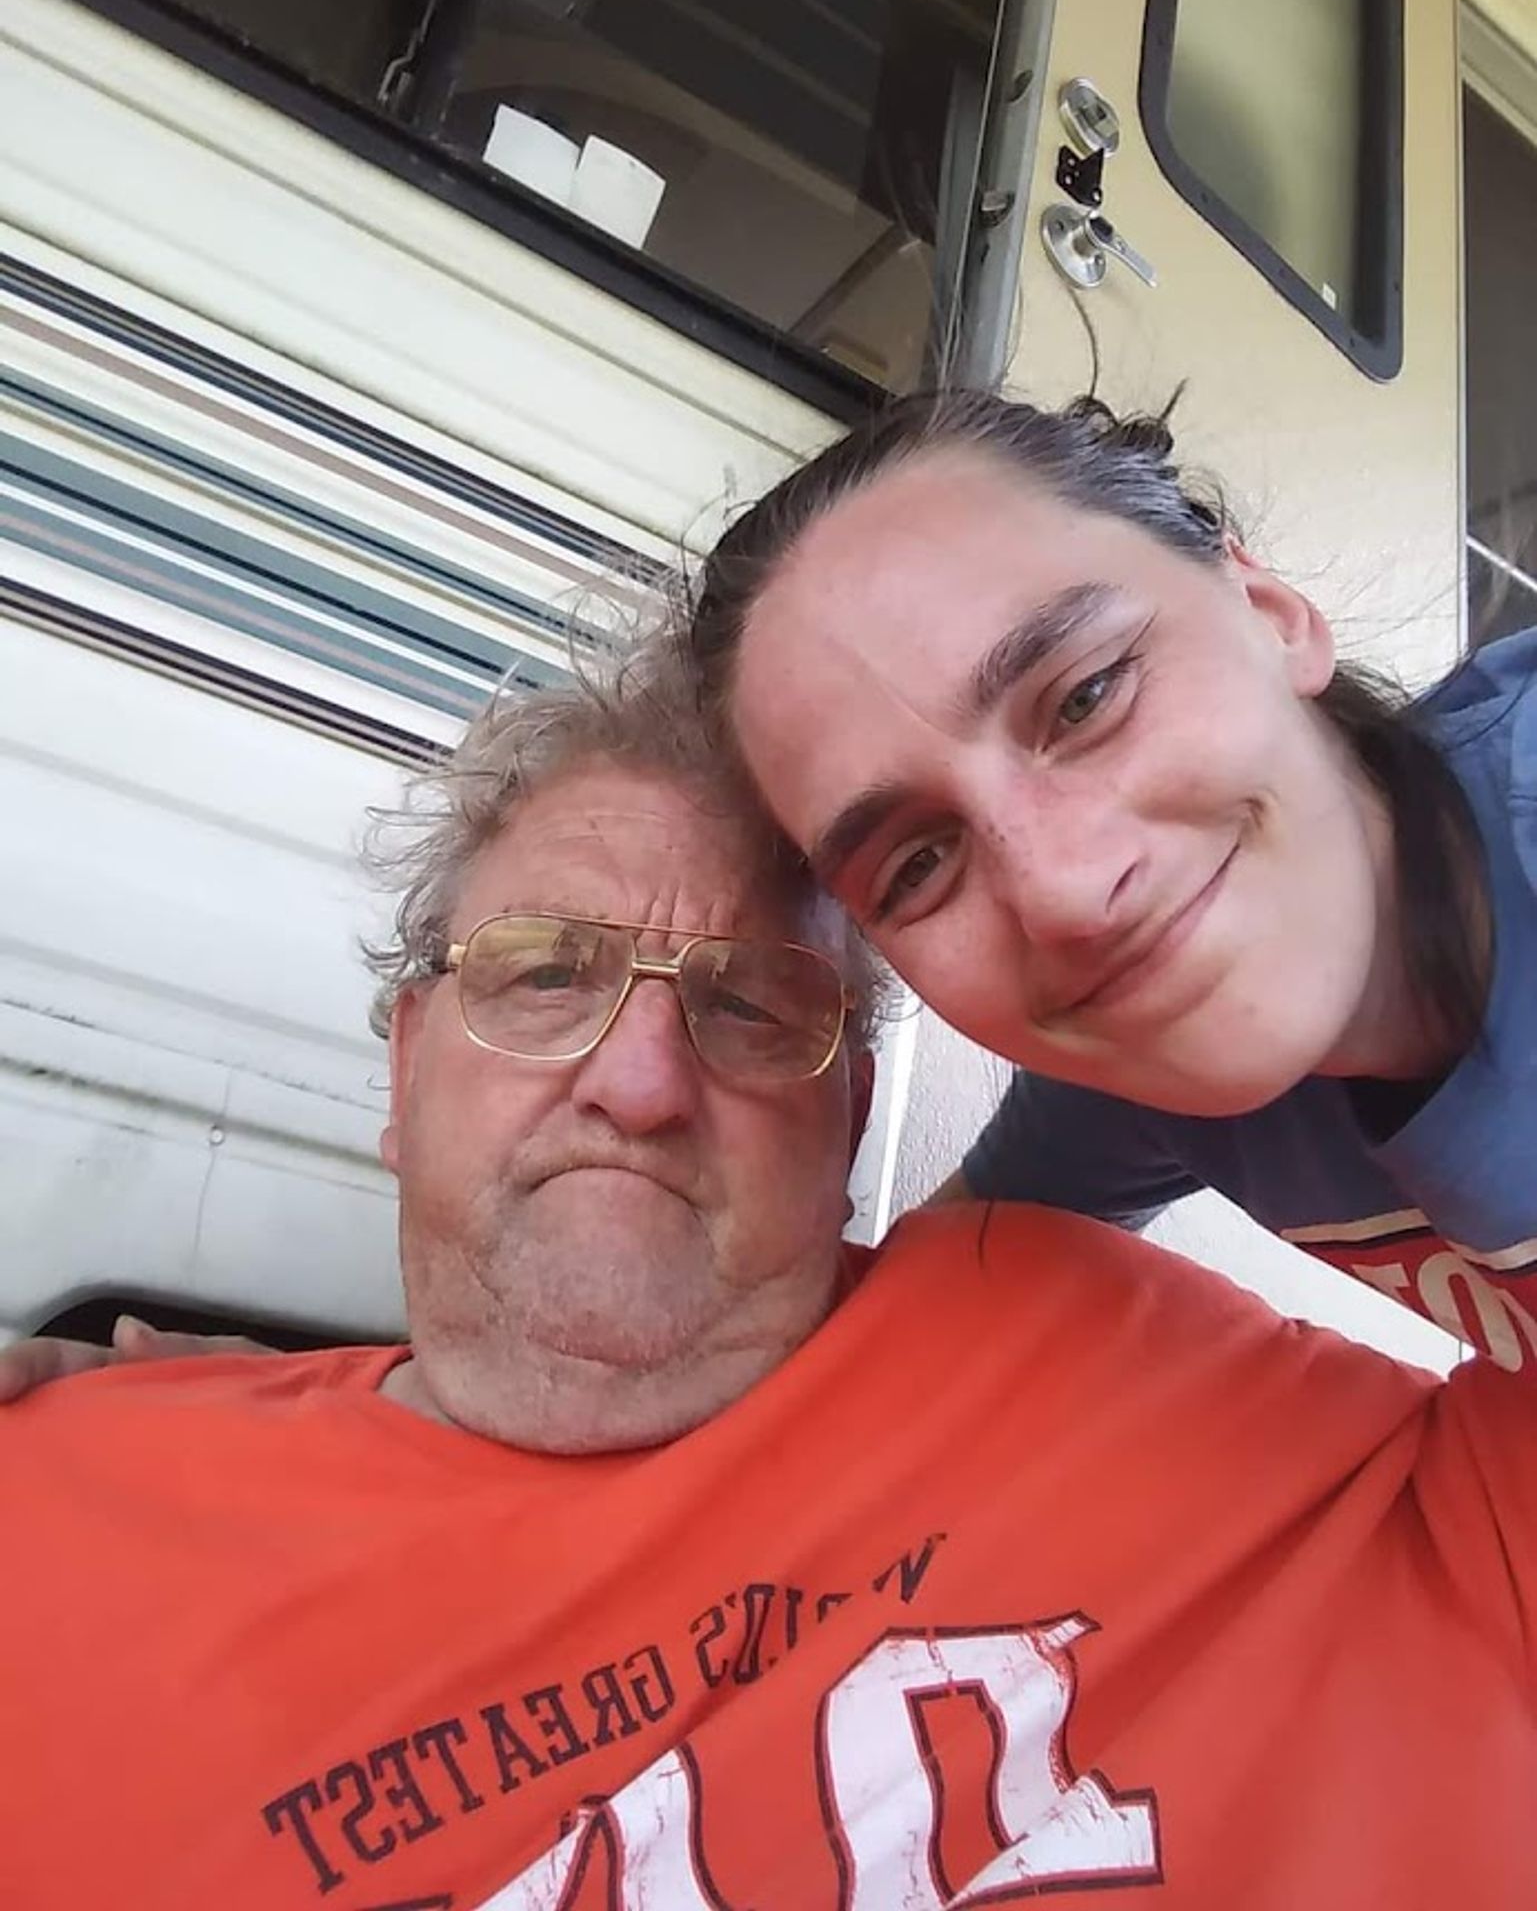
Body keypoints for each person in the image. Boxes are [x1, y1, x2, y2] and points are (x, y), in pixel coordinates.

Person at [1, 649, 1533, 1911]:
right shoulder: (64, 1511)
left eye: (748, 1008)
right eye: (547, 973)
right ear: (406, 1074)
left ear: (851, 1123)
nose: (640, 1082)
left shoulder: (1076, 1337)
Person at [688, 390, 1537, 1369]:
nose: (1067, 892)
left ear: (1267, 612)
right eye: (916, 866)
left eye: (1087, 698)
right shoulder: (1137, 1059)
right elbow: (943, 1283)